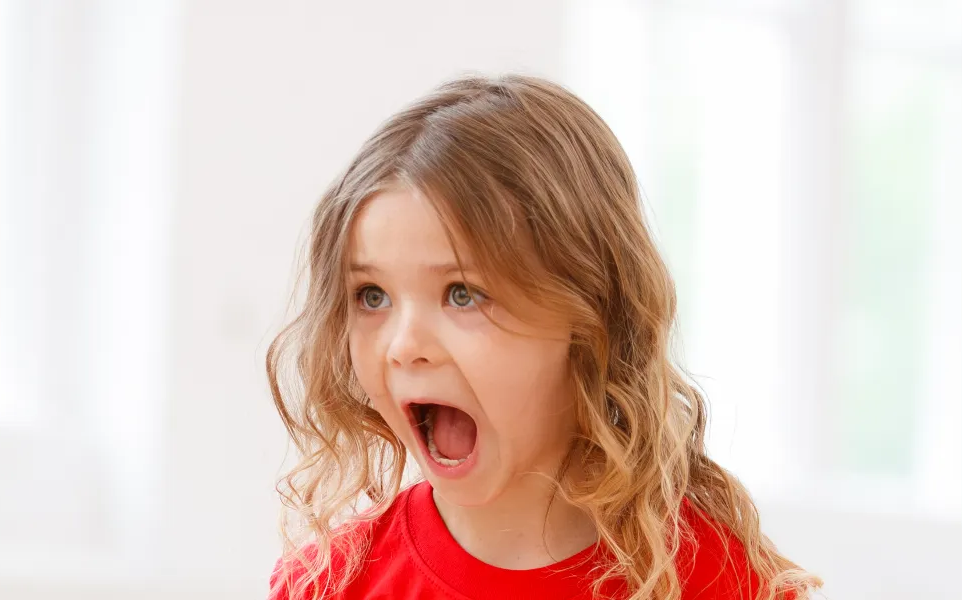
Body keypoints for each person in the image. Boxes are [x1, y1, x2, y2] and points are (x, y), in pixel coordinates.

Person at [264, 73, 821, 600]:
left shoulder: (720, 583)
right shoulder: (325, 584)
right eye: (372, 296)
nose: (403, 345)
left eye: (462, 293)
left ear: (590, 314)